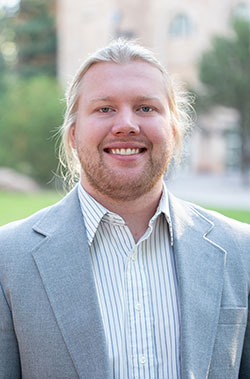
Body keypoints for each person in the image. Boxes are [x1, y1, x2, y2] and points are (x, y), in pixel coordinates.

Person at [0, 39, 249, 379]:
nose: (126, 124)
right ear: (73, 134)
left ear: (175, 132)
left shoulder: (241, 251)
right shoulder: (8, 259)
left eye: (146, 108)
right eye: (104, 109)